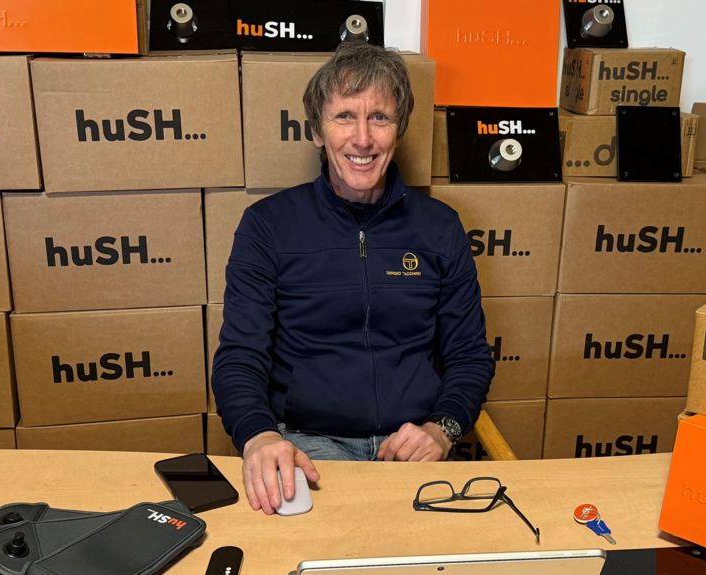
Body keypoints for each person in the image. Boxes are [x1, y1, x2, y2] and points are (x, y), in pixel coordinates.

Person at [211, 41, 495, 515]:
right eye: (344, 116)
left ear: (398, 130)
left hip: (412, 448)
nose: (362, 139)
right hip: (308, 449)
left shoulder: (440, 227)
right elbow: (240, 358)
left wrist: (441, 429)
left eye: (379, 118)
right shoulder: (267, 226)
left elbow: (469, 356)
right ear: (318, 131)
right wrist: (259, 436)